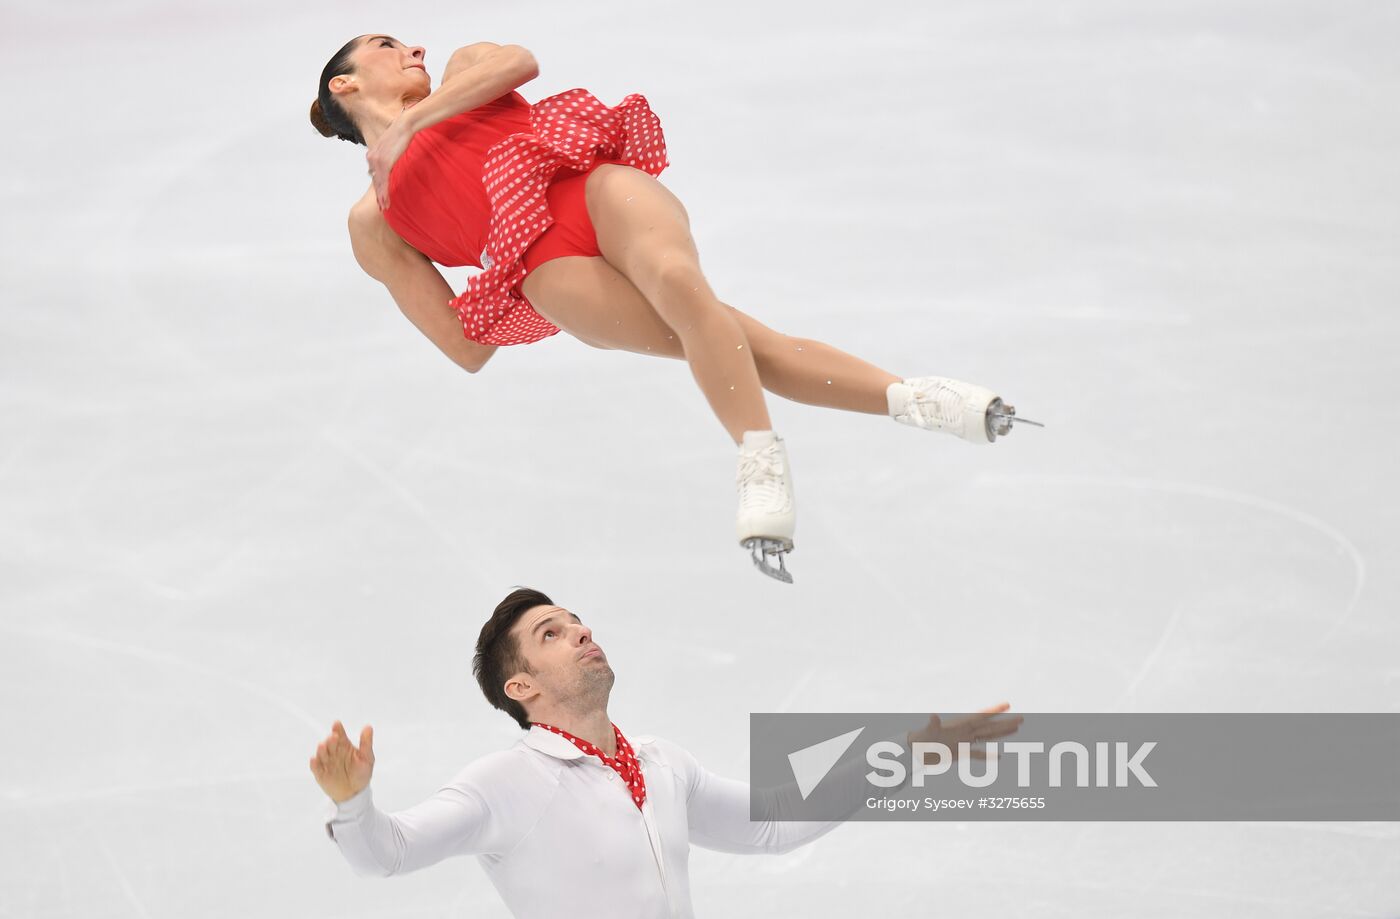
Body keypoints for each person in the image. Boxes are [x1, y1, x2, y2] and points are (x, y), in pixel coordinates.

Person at [308, 36, 1041, 581]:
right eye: (386, 45)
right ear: (346, 83)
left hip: (591, 192)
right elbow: (462, 345)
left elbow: (519, 64)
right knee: (733, 339)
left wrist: (409, 125)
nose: (413, 47)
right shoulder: (373, 221)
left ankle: (761, 462)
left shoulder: (465, 71)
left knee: (681, 285)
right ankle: (913, 398)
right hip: (544, 268)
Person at [310, 587, 1021, 917]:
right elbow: (386, 852)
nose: (583, 631)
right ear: (519, 684)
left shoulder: (660, 763)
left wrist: (907, 755)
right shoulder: (505, 782)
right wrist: (353, 801)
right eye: (552, 633)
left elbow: (773, 821)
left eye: (578, 620)